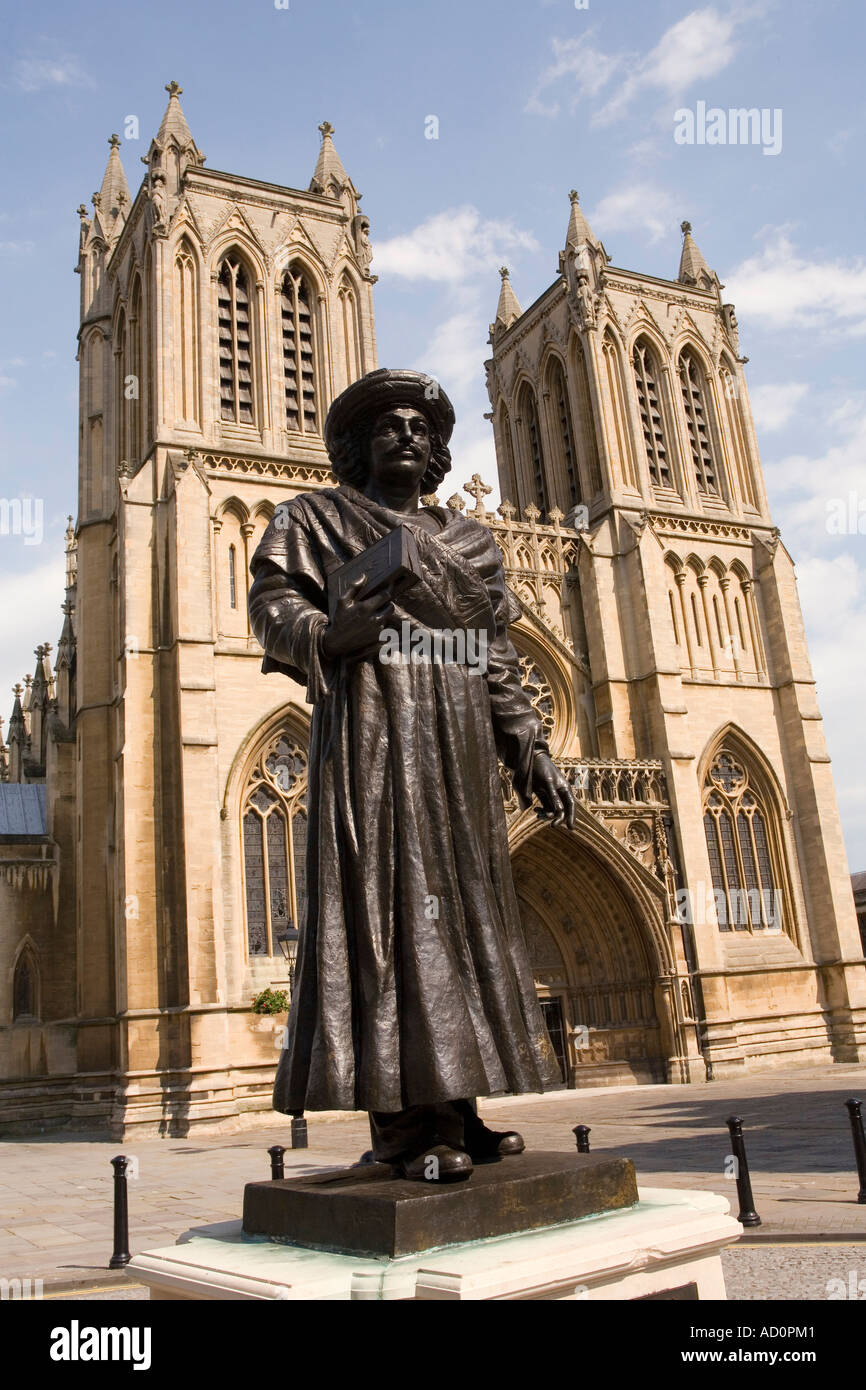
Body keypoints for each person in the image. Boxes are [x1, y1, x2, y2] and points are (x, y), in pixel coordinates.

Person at [249, 368, 575, 1181]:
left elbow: (495, 654)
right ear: (358, 444)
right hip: (372, 743)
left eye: (423, 427)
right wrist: (327, 632)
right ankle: (403, 1131)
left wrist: (528, 748)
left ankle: (459, 1113)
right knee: (388, 920)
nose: (408, 434)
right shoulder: (313, 519)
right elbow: (271, 606)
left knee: (462, 921)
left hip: (458, 756)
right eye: (388, 423)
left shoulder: (471, 543)